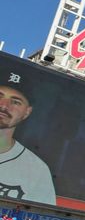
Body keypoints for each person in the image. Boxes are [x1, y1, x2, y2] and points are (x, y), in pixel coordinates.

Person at [0, 71, 56, 205]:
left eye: (15, 102)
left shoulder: (37, 169)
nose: (3, 105)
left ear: (27, 112)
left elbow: (43, 216)